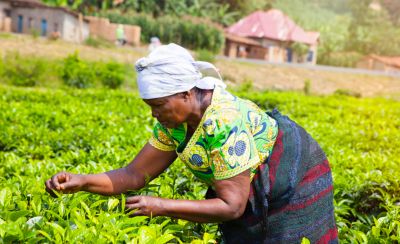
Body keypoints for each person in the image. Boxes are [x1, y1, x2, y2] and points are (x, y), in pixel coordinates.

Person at [45, 43, 338, 243]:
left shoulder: (223, 122)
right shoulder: (172, 124)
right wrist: (81, 181)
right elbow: (134, 175)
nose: (154, 114)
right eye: (150, 106)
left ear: (186, 93)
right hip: (247, 183)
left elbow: (231, 206)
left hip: (292, 173)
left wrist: (160, 205)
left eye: (159, 104)